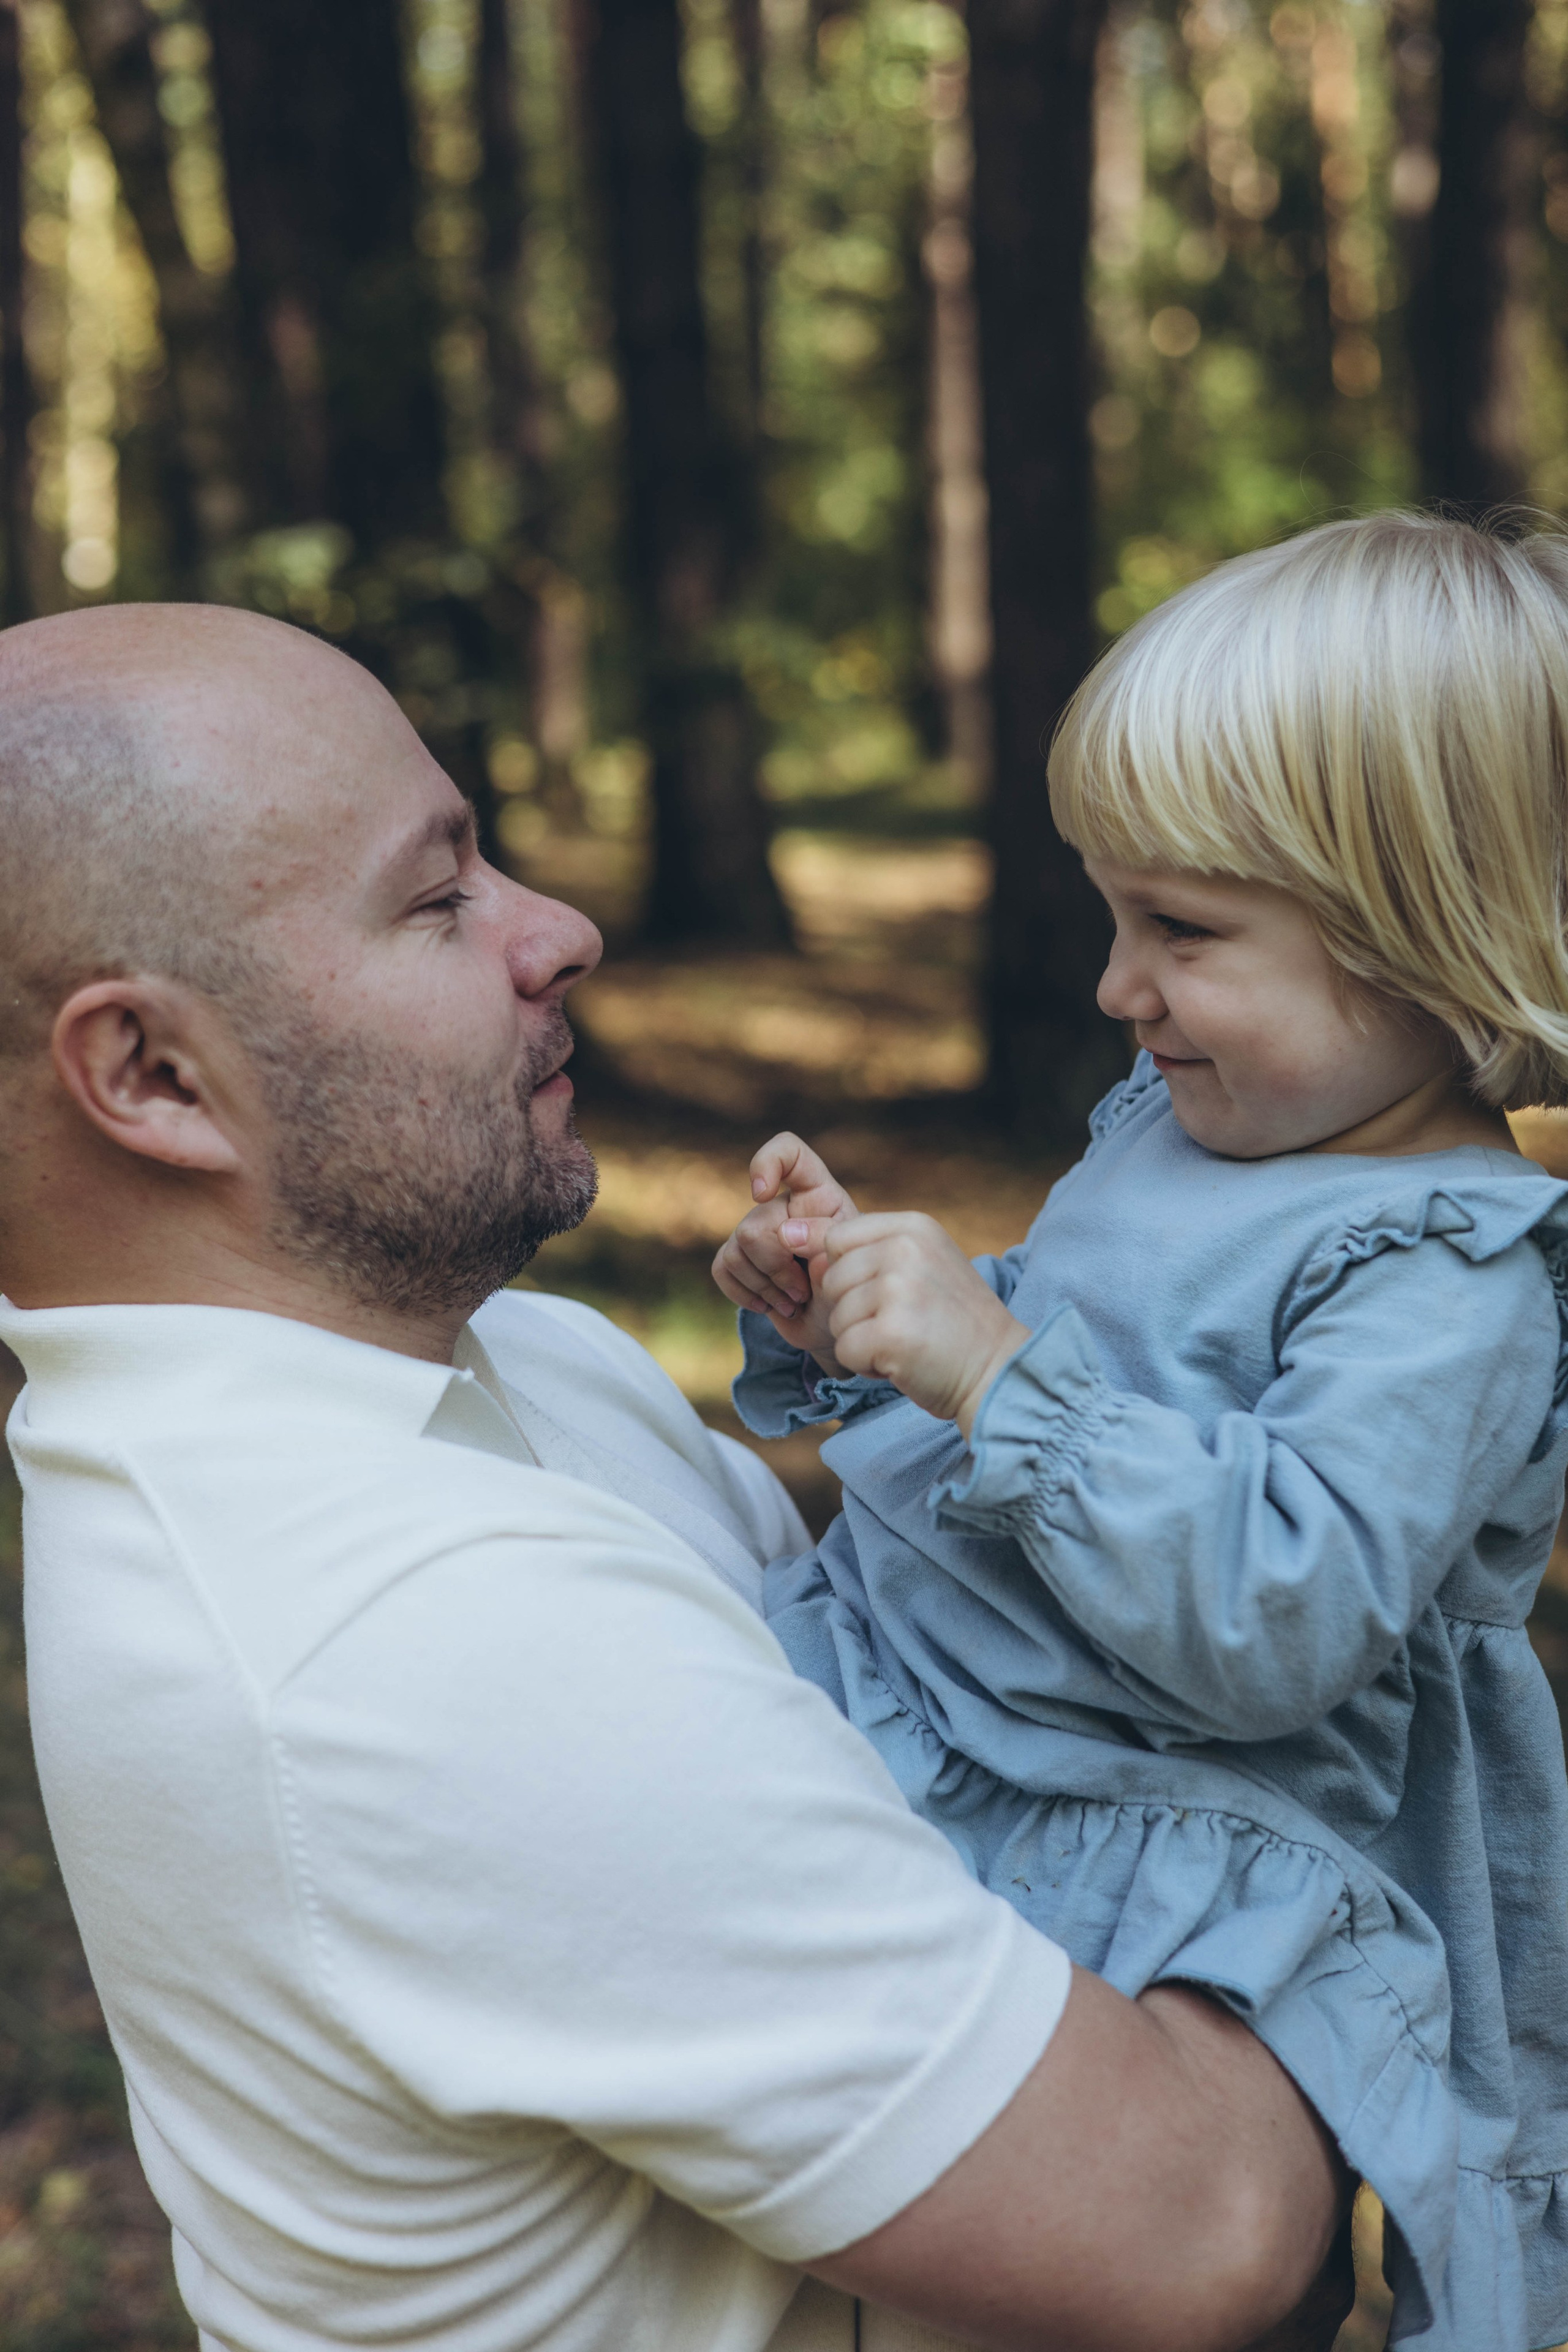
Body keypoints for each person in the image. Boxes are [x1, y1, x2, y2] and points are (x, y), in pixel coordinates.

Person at [0, 601, 1347, 2352]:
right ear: (156, 1076)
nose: (563, 931)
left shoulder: (506, 1362)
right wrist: (1373, 1633)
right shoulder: (393, 1634)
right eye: (438, 898)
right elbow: (1206, 2229)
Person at [715, 510, 1568, 2352]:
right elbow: (1086, 1348)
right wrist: (859, 1312)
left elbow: (1281, 1617)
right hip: (960, 1713)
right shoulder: (1185, 1124)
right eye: (1113, 911)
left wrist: (992, 1375)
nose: (1116, 986)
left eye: (1181, 930)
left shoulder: (1449, 1281)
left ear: (1433, 940)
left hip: (1165, 1846)